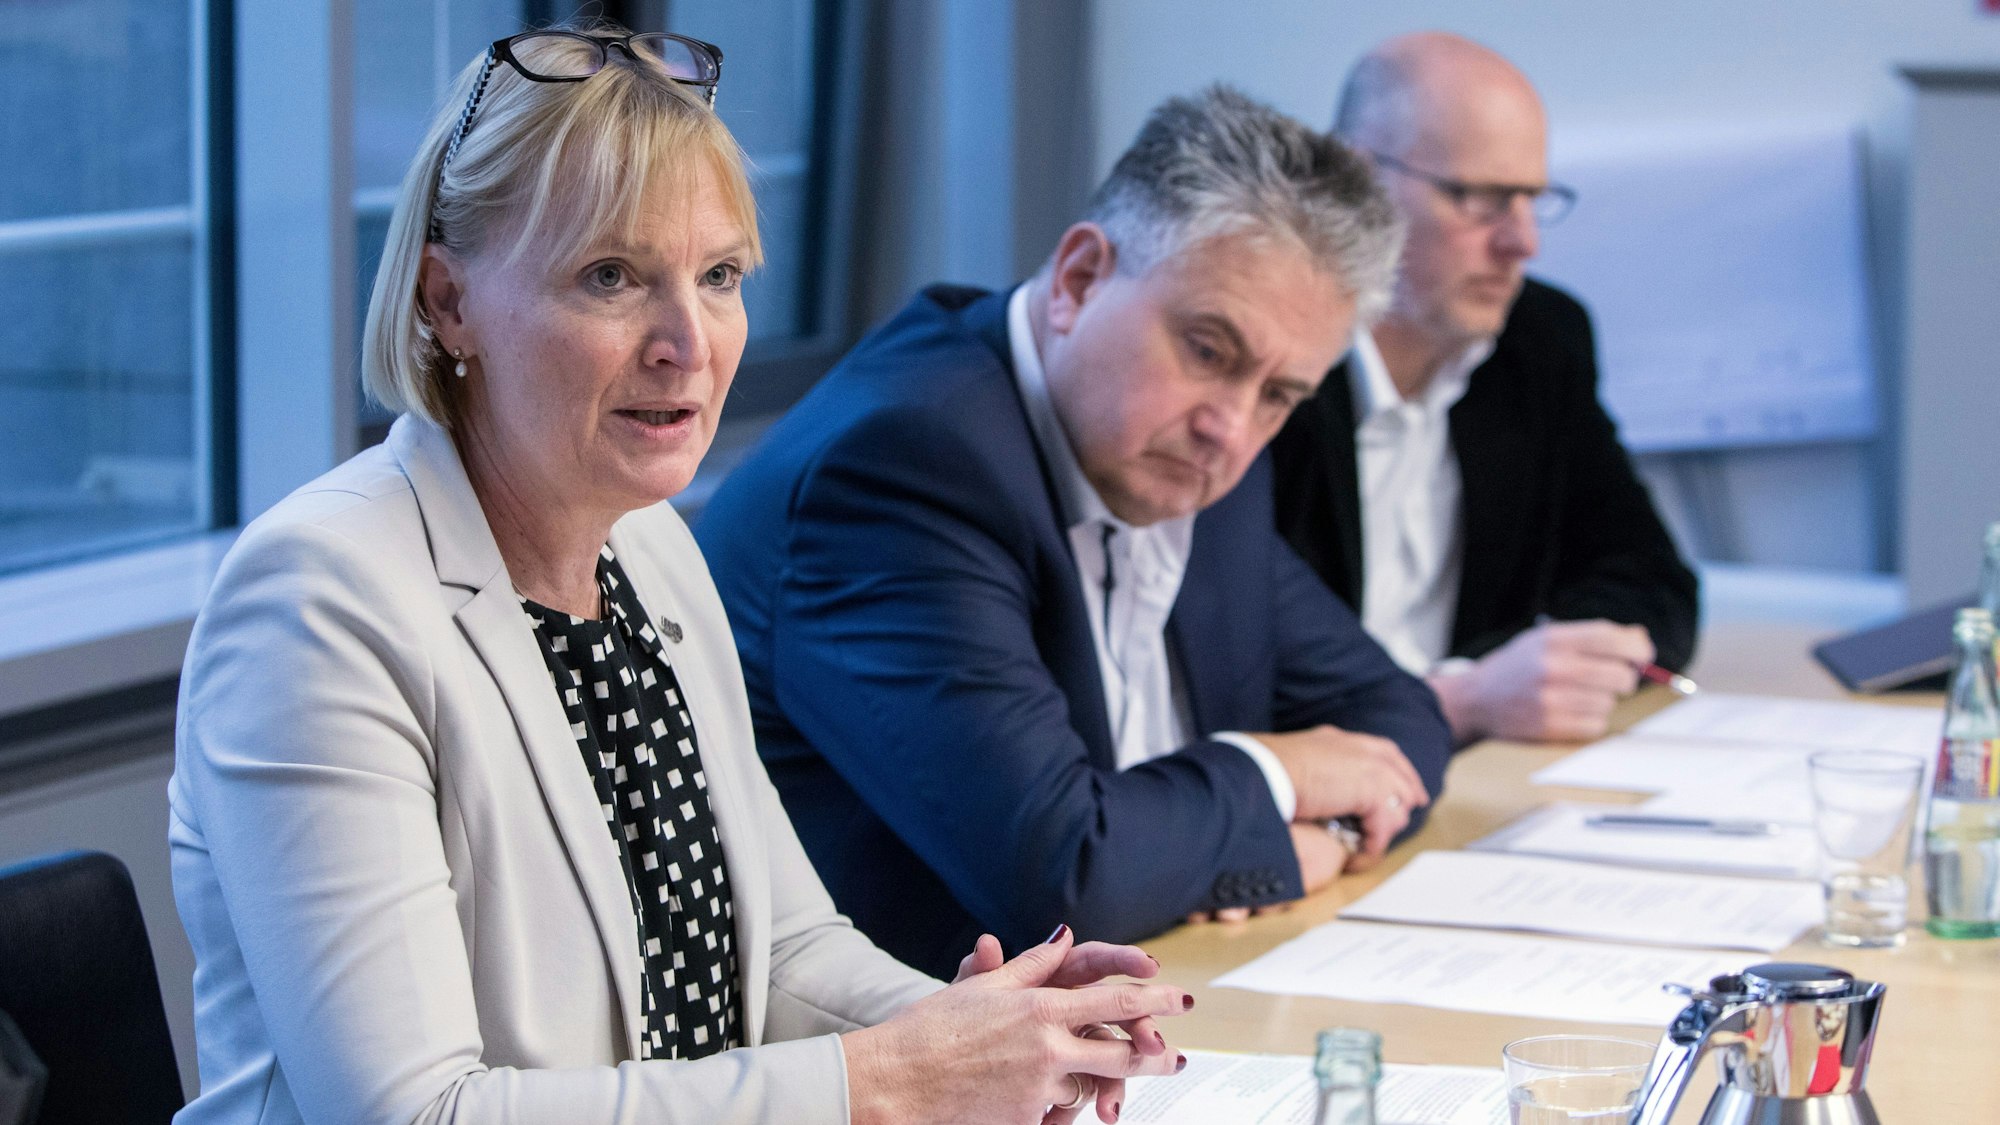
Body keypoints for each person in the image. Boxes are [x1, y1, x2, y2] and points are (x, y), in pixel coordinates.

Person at [167, 24, 1188, 1125]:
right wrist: (890, 1080)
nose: (686, 342)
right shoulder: (320, 600)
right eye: (609, 276)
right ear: (445, 300)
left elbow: (787, 949)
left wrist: (993, 1031)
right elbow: (416, 1114)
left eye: (717, 277)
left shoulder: (648, 547)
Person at [695, 87, 1452, 981]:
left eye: (1281, 394)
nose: (1235, 427)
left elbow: (1400, 721)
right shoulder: (906, 464)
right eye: (1209, 350)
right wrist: (1277, 781)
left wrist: (1310, 825)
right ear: (1080, 278)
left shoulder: (1188, 455)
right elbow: (1063, 877)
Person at [1268, 32, 1700, 746]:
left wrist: (1551, 666)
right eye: (1480, 199)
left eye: (1532, 199)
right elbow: (1235, 662)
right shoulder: (1270, 364)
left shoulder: (1538, 339)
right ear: (1354, 177)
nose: (1522, 242)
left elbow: (1651, 581)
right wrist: (1464, 696)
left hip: (1474, 771)